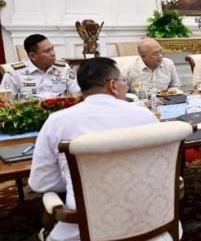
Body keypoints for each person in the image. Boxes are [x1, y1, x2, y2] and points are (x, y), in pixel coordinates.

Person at [28, 57, 158, 241]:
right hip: (149, 222)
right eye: (123, 81)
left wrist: (79, 182)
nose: (125, 86)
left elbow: (40, 183)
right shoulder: (144, 116)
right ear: (113, 85)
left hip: (83, 228)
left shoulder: (57, 121)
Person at [1, 34, 81, 99]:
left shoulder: (63, 68)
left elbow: (77, 94)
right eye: (47, 51)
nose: (53, 53)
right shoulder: (14, 73)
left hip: (60, 113)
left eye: (52, 49)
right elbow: (5, 103)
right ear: (32, 56)